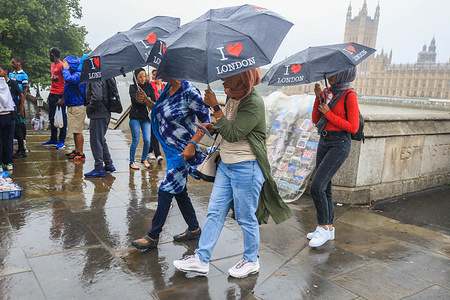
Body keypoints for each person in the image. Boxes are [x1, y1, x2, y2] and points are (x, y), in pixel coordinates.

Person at [173, 68, 293, 278]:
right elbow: (228, 125)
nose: (226, 88)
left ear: (243, 83)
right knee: (215, 211)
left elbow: (235, 132)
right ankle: (201, 259)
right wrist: (215, 126)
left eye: (230, 84)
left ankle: (251, 260)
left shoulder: (254, 102)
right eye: (225, 83)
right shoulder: (233, 97)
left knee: (246, 217)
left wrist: (215, 107)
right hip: (227, 165)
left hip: (247, 167)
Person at [131, 79, 210, 250]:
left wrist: (192, 145)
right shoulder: (168, 88)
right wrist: (146, 101)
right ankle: (194, 228)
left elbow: (206, 121)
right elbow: (161, 112)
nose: (159, 72)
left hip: (184, 152)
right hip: (171, 150)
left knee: (166, 189)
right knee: (180, 191)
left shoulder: (189, 91)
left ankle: (153, 236)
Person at [307, 67, 360, 247]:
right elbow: (316, 119)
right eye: (329, 73)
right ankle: (328, 228)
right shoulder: (328, 92)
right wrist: (318, 97)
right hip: (324, 140)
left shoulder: (349, 95)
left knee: (317, 187)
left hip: (339, 144)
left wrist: (329, 113)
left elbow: (353, 127)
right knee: (325, 187)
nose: (329, 76)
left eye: (333, 73)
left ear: (344, 73)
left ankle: (322, 226)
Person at [84, 80, 116, 178]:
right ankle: (108, 163)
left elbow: (97, 97)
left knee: (96, 140)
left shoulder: (95, 76)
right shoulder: (104, 74)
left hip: (98, 113)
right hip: (105, 112)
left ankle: (99, 168)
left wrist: (89, 108)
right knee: (101, 139)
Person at [128, 68, 156, 170]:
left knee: (147, 140)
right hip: (135, 116)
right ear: (136, 78)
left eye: (144, 76)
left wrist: (147, 99)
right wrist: (145, 99)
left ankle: (144, 159)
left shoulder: (149, 86)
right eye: (140, 76)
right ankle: (132, 161)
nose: (142, 78)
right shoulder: (133, 87)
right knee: (135, 140)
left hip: (146, 117)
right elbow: (135, 101)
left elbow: (153, 100)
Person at [62, 56, 86, 161]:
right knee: (74, 130)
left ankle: (80, 152)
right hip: (72, 105)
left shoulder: (79, 74)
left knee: (78, 130)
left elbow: (68, 79)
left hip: (78, 105)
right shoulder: (74, 73)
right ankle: (76, 150)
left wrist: (66, 68)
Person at [43, 47, 67, 149]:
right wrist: (49, 94)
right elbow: (53, 82)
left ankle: (61, 140)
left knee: (62, 118)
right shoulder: (52, 65)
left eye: (50, 55)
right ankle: (53, 139)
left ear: (53, 55)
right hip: (53, 94)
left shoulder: (62, 66)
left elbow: (66, 82)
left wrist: (63, 98)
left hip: (60, 95)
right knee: (51, 117)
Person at [9, 57, 28, 159]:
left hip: (18, 101)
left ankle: (22, 148)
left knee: (19, 126)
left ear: (19, 63)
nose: (12, 64)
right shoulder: (11, 74)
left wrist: (22, 106)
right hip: (12, 101)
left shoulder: (24, 75)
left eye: (13, 62)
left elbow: (24, 92)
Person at [0, 66, 17, 171]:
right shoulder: (8, 84)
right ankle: (7, 162)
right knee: (7, 139)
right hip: (8, 115)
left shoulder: (10, 83)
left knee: (6, 139)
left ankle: (4, 162)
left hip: (8, 115)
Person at [148, 68, 164, 163]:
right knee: (154, 132)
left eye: (157, 74)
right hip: (153, 112)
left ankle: (149, 151)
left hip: (162, 114)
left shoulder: (165, 87)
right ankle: (158, 154)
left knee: (155, 132)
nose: (155, 76)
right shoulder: (150, 85)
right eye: (153, 75)